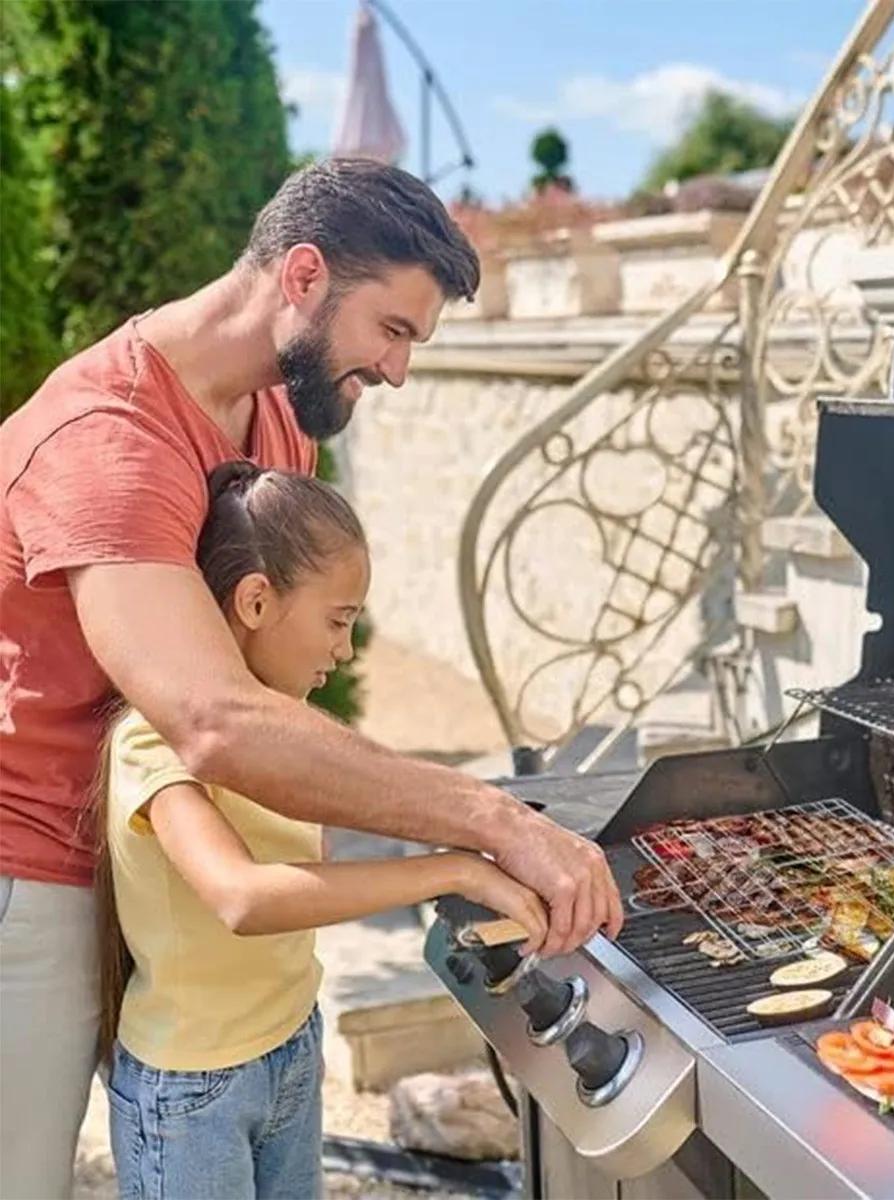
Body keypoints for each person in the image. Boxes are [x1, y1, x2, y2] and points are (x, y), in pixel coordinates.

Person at [0, 158, 622, 1200]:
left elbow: (269, 664)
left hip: (156, 861)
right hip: (35, 872)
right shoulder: (108, 440)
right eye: (392, 330)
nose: (398, 372)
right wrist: (490, 821)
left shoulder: (275, 422)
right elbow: (211, 716)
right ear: (300, 276)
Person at [98, 462, 549, 1199]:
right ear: (254, 601)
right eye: (338, 620)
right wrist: (453, 871)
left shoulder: (289, 734)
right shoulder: (153, 739)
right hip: (191, 1090)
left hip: (290, 1045)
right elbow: (244, 898)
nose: (344, 650)